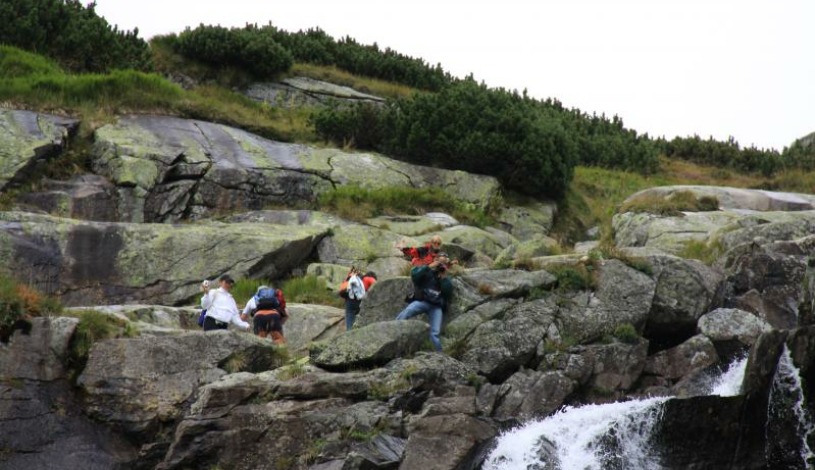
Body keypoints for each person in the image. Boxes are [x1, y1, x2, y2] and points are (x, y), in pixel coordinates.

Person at [395, 254, 453, 352]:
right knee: (408, 311)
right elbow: (414, 275)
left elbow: (448, 294)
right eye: (440, 262)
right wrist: (429, 266)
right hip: (422, 301)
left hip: (436, 306)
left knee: (435, 333)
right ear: (435, 260)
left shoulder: (445, 278)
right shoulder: (427, 271)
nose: (441, 265)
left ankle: (439, 356)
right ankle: (392, 328)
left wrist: (443, 278)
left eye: (443, 263)